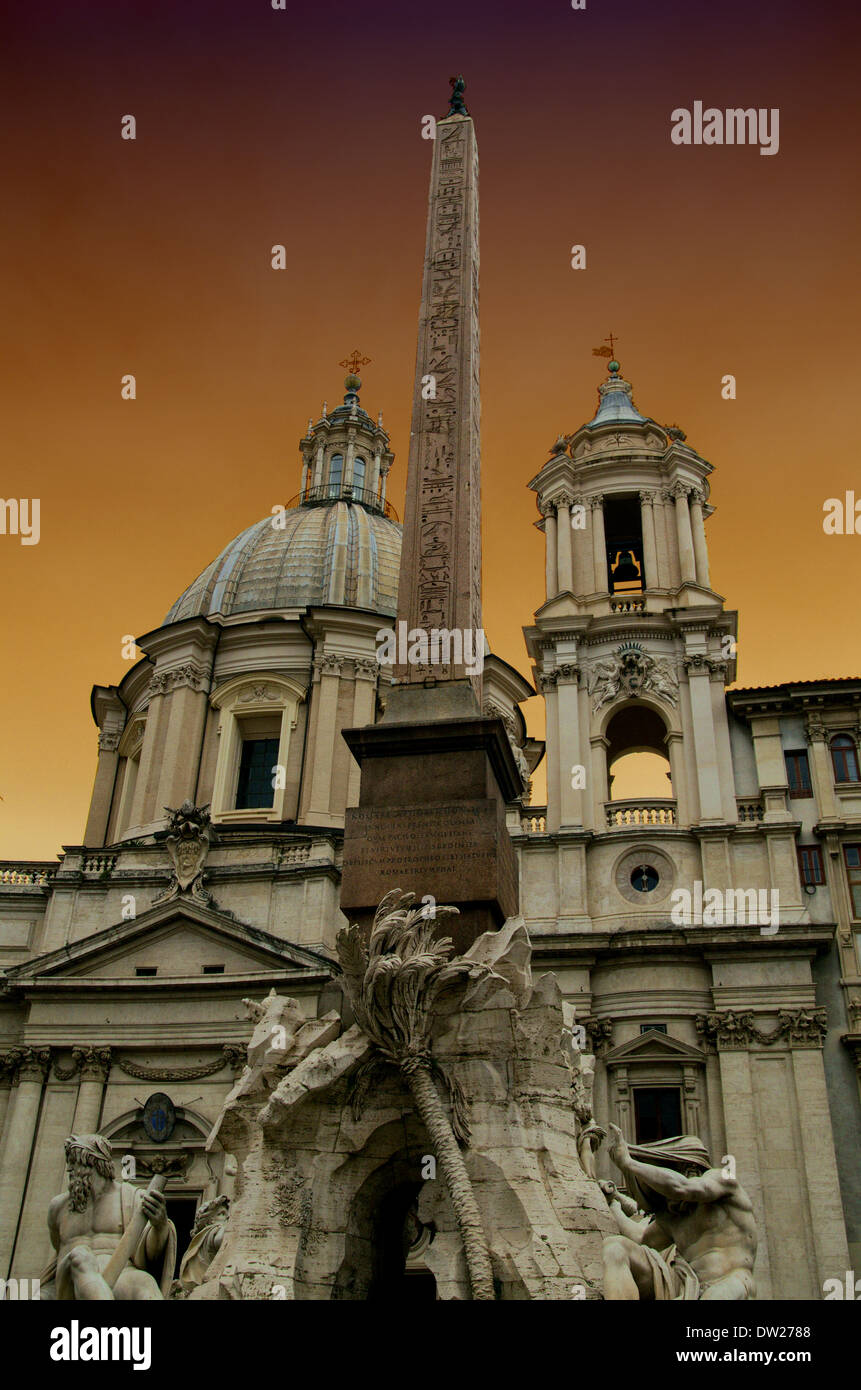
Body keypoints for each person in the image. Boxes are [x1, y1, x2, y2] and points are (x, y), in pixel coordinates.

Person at [601, 1124, 757, 1300]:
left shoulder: (722, 1179)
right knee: (614, 1247)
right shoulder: (673, 1216)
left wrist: (628, 1163)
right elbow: (640, 1238)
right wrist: (612, 1204)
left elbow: (682, 1187)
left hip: (732, 1283)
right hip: (688, 1286)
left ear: (691, 1170)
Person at [45, 1134, 176, 1300]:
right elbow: (59, 1252)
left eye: (75, 1163)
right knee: (80, 1256)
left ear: (95, 1164)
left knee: (145, 1282)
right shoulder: (58, 1207)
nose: (69, 1170)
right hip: (72, 1280)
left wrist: (159, 1225)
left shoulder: (133, 1197)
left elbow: (151, 1254)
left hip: (121, 1274)